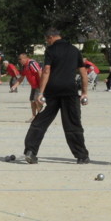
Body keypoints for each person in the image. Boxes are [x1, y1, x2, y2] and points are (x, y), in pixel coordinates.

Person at [22, 27, 90, 164]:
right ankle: (82, 156)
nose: (47, 42)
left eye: (46, 40)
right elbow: (83, 74)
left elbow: (46, 70)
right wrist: (84, 93)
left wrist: (40, 92)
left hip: (52, 91)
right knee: (73, 123)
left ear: (50, 37)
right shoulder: (74, 50)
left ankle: (30, 151)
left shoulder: (51, 50)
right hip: (70, 91)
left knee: (40, 122)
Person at [17, 52, 42, 122]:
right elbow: (21, 77)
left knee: (37, 101)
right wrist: (14, 86)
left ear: (25, 58)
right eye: (18, 59)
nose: (19, 61)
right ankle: (34, 116)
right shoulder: (25, 66)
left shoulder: (31, 63)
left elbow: (39, 72)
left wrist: (41, 84)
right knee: (32, 100)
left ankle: (41, 117)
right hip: (33, 86)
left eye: (20, 59)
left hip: (38, 85)